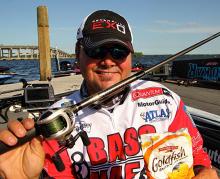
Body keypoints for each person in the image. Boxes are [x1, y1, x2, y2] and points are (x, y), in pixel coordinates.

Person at [0, 10, 218, 179]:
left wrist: (204, 171)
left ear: (130, 56)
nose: (108, 60)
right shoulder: (54, 122)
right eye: (96, 50)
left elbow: (198, 157)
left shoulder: (165, 100)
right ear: (78, 54)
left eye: (118, 52)